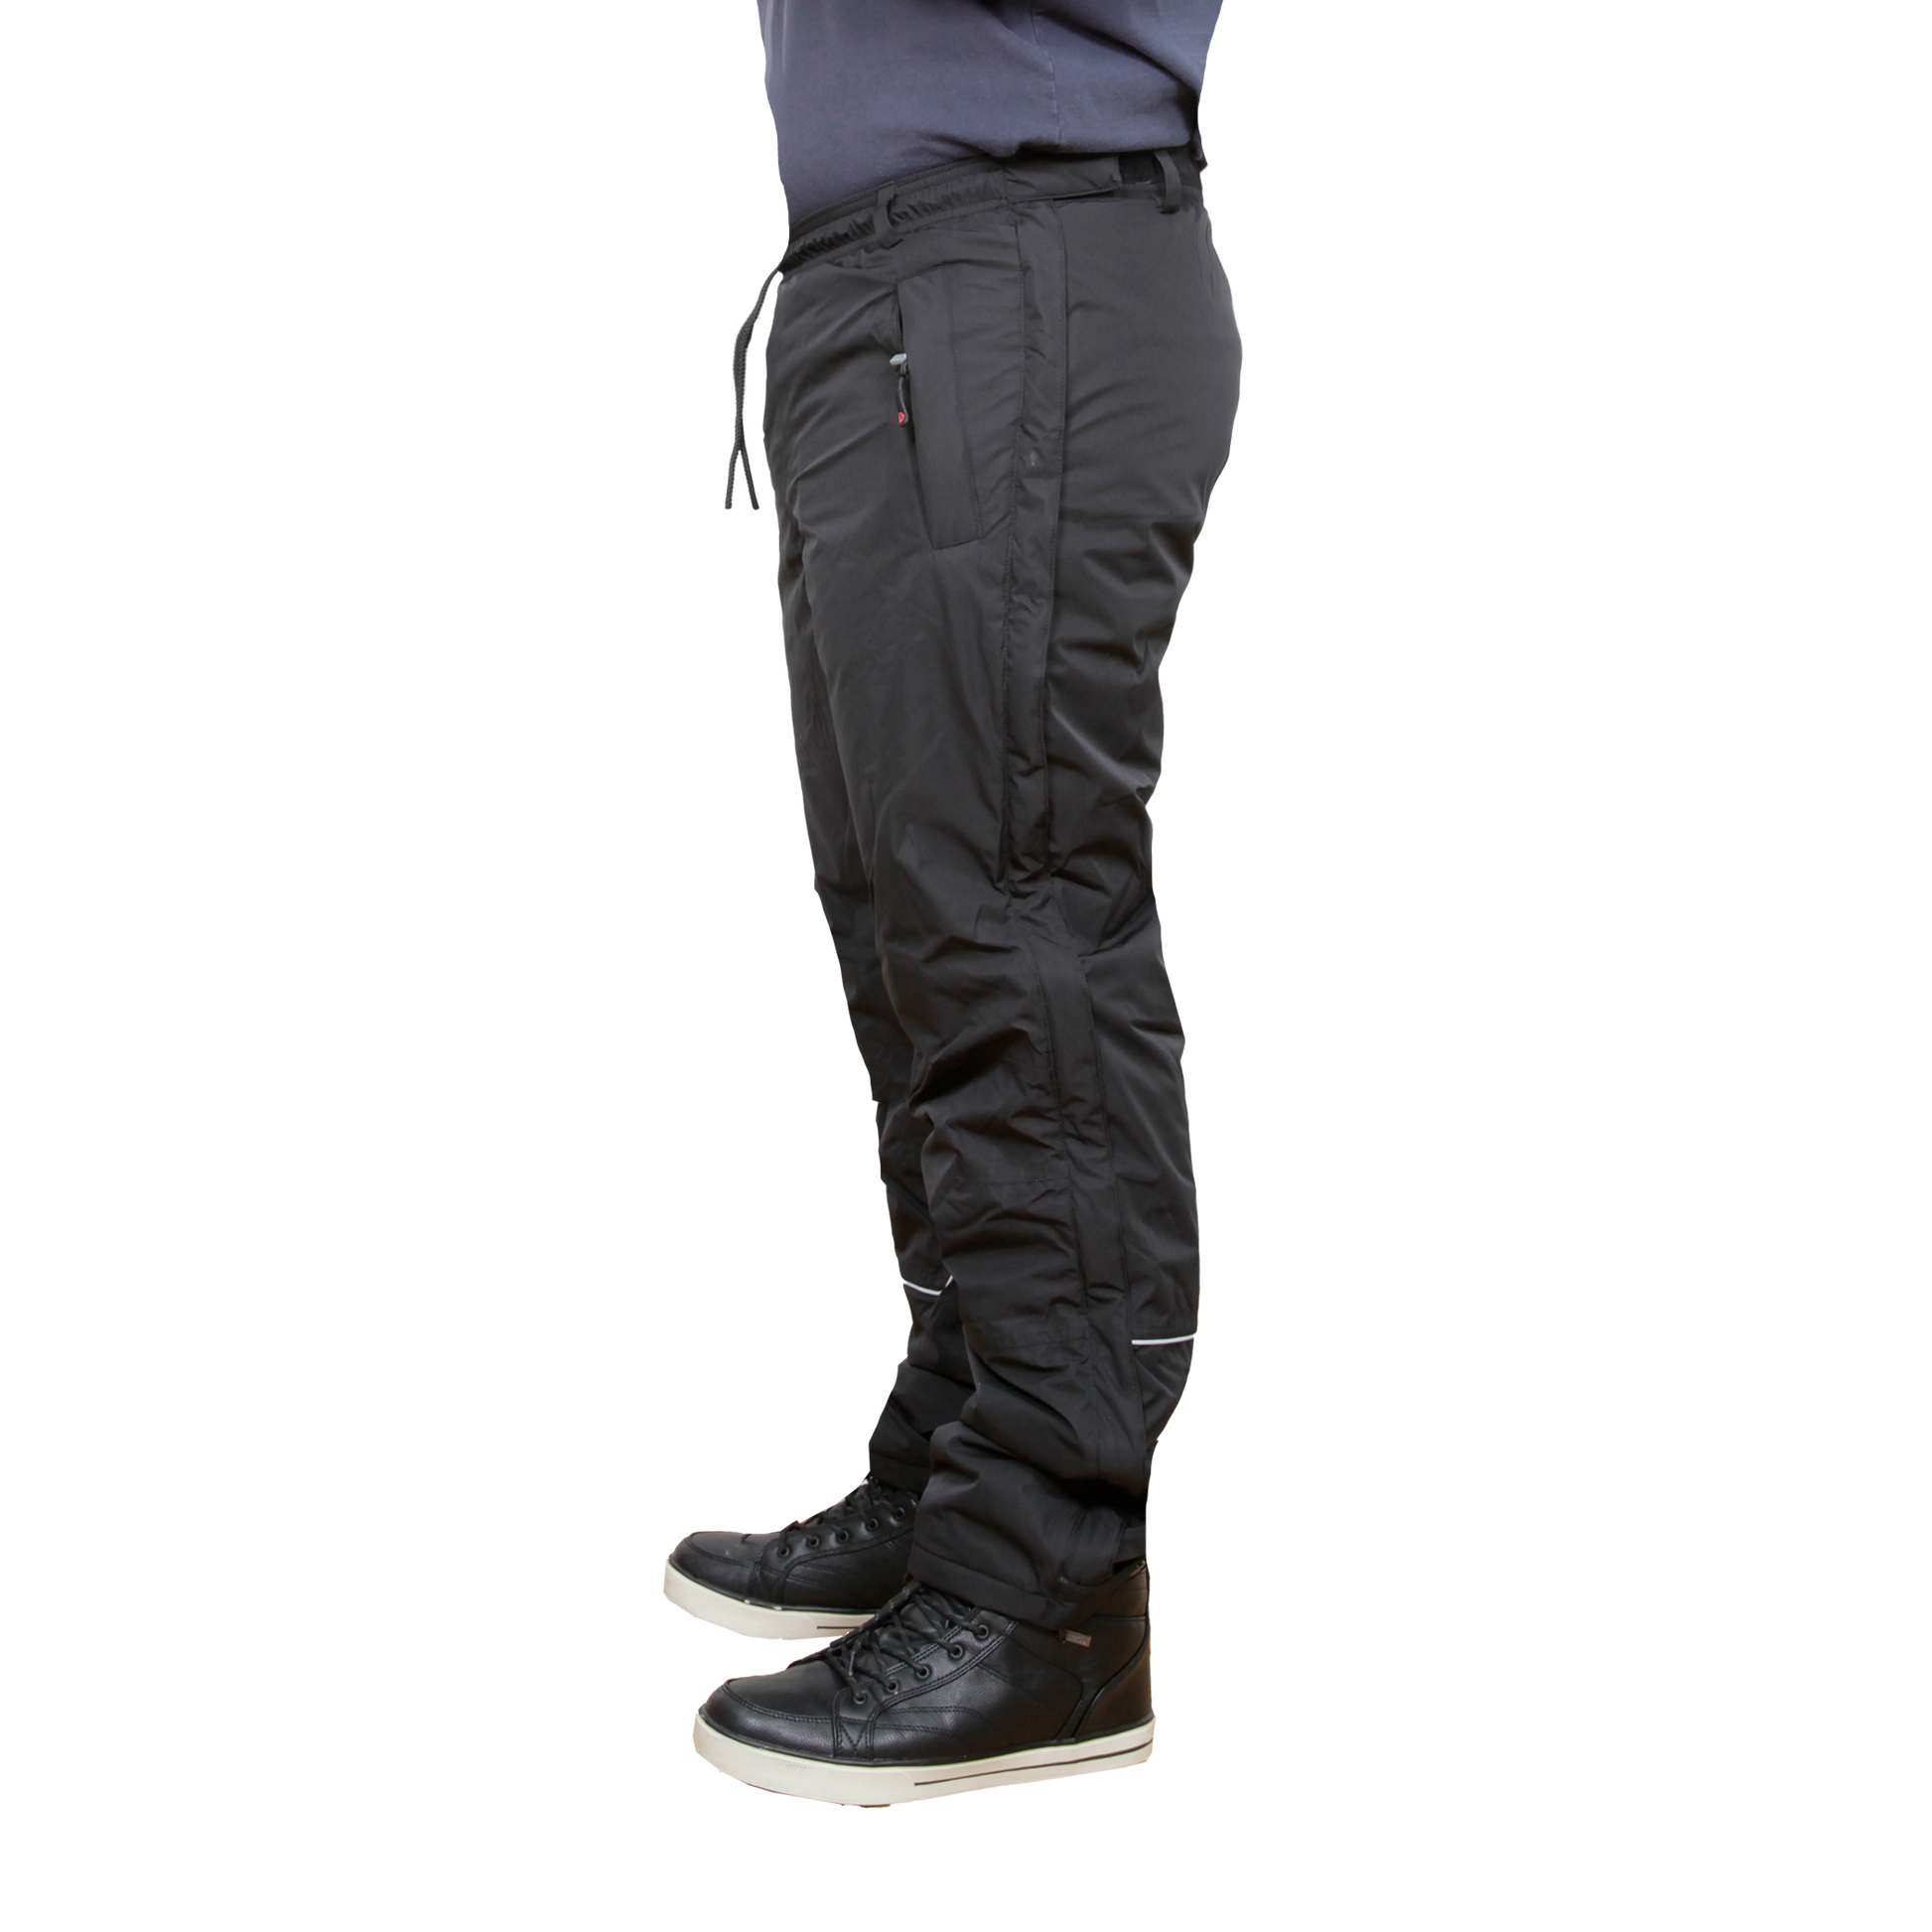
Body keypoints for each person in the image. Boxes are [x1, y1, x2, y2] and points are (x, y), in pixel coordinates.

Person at [667, 1, 1241, 1808]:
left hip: (1014, 260)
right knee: (902, 930)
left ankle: (1051, 1589)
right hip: (884, 283)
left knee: (1008, 921)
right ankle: (955, 1468)